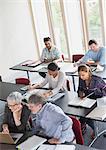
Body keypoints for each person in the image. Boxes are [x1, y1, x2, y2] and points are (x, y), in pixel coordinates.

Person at [77, 64, 106, 136]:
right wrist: (81, 93)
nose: (81, 77)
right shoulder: (81, 79)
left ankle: (93, 128)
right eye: (79, 75)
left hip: (99, 99)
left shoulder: (97, 80)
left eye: (83, 75)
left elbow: (105, 91)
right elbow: (80, 89)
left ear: (88, 72)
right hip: (87, 100)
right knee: (83, 114)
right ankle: (87, 126)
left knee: (87, 115)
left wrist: (97, 92)